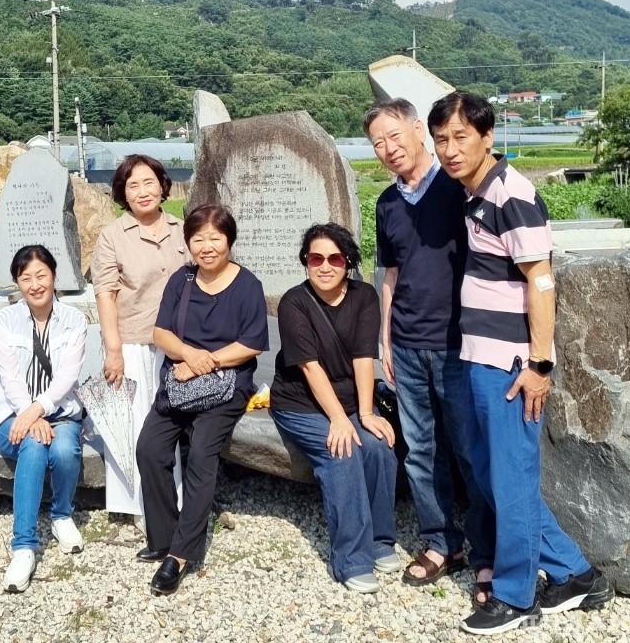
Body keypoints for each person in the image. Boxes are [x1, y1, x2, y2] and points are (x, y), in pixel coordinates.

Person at [428, 91, 613, 635]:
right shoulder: (474, 193)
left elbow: (541, 279)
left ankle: (514, 595)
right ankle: (577, 574)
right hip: (479, 356)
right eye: (441, 140)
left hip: (511, 364)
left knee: (509, 480)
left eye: (461, 137)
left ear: (488, 137)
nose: (450, 149)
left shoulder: (512, 193)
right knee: (492, 476)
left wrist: (540, 364)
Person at [366, 99, 495, 595]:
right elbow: (391, 275)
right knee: (421, 451)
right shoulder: (386, 204)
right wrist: (386, 337)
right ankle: (442, 541)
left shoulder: (459, 186)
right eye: (378, 142)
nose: (389, 149)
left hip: (460, 343)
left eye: (395, 136)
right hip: (409, 343)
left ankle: (486, 552)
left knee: (469, 450)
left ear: (419, 129)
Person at [137, 204, 269, 595]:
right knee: (150, 447)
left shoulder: (248, 285)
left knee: (201, 453)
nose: (206, 246)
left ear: (229, 239)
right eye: (198, 239)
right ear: (189, 243)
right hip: (181, 380)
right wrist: (189, 357)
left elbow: (251, 345)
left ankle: (180, 555)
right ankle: (162, 537)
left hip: (226, 385)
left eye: (215, 238)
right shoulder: (182, 280)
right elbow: (161, 333)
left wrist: (202, 363)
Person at [270, 223, 399, 594]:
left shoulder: (364, 297)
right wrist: (340, 420)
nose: (324, 266)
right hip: (300, 402)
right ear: (305, 262)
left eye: (334, 258)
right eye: (315, 258)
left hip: (347, 398)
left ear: (348, 262)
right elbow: (309, 367)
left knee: (378, 446)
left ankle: (380, 540)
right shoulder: (294, 302)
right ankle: (352, 559)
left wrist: (366, 413)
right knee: (342, 452)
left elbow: (363, 359)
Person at [91, 154, 187, 534]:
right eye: (133, 186)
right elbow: (105, 293)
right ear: (123, 195)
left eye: (149, 182)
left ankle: (175, 498)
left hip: (177, 342)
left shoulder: (182, 228)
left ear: (163, 186)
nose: (143, 191)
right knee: (135, 423)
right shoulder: (113, 235)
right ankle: (137, 504)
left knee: (171, 421)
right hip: (132, 341)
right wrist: (113, 348)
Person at [0, 244, 88, 593]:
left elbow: (66, 377)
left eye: (41, 275)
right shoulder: (4, 319)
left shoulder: (75, 320)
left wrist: (37, 410)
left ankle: (62, 514)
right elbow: (9, 376)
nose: (34, 284)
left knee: (62, 451)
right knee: (34, 444)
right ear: (17, 282)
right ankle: (24, 547)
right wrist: (29, 415)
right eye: (25, 277)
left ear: (54, 275)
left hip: (59, 414)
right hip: (11, 416)